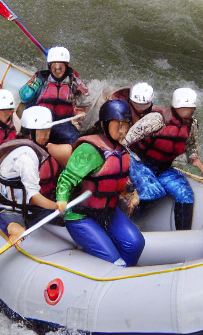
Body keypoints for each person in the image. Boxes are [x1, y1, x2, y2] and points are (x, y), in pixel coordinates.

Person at [54, 99, 144, 267]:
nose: (123, 130)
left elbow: (119, 180)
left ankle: (126, 275)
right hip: (81, 215)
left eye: (126, 125)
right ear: (105, 124)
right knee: (114, 261)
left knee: (135, 244)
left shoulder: (120, 151)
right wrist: (61, 199)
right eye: (118, 124)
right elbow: (66, 179)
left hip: (107, 211)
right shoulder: (89, 150)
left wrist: (129, 191)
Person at [124, 87, 203, 231]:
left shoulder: (192, 125)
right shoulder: (156, 119)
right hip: (138, 161)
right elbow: (126, 141)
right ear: (177, 106)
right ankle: (127, 223)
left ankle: (183, 237)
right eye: (186, 108)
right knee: (152, 191)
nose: (190, 111)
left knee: (185, 195)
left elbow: (191, 152)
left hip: (163, 167)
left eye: (191, 108)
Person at [0, 106, 65, 243]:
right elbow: (34, 197)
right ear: (30, 133)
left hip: (32, 210)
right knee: (18, 233)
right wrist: (57, 206)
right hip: (10, 211)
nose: (47, 135)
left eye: (48, 130)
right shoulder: (26, 157)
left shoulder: (34, 149)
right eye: (42, 132)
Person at [18, 46, 89, 166]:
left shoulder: (73, 80)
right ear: (49, 65)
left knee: (79, 144)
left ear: (66, 65)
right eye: (54, 64)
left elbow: (86, 97)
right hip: (41, 123)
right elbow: (24, 96)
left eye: (60, 64)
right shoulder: (42, 77)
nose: (57, 68)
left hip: (63, 124)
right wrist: (35, 81)